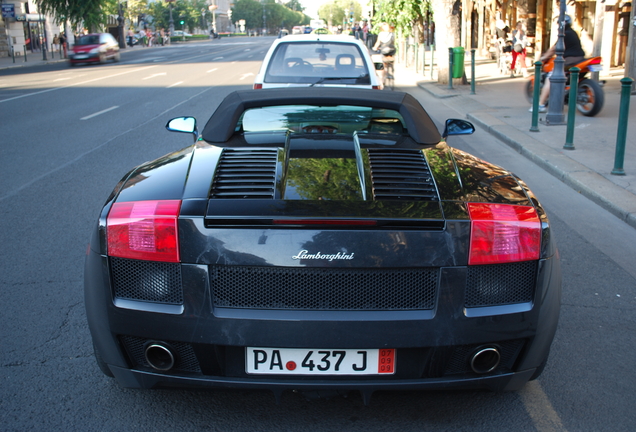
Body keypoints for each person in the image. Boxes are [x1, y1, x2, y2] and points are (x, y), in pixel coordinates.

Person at [531, 15, 585, 113]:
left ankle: (540, 104)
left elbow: (554, 49)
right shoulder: (572, 33)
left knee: (550, 78)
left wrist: (543, 58)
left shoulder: (564, 34)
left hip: (569, 61)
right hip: (580, 59)